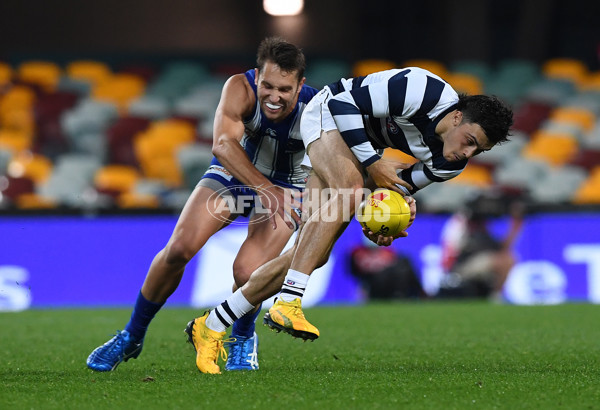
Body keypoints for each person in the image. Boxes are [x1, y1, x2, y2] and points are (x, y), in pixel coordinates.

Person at [186, 66, 514, 374]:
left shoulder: (449, 163)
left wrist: (387, 216)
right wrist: (372, 162)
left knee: (311, 251)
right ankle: (288, 301)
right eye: (470, 141)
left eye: (478, 151)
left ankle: (212, 324)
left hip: (362, 148)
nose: (467, 154)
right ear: (457, 117)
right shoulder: (424, 89)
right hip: (326, 114)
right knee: (349, 191)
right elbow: (344, 104)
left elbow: (392, 189)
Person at [86, 37, 318, 373]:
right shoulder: (239, 87)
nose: (274, 96)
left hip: (287, 185)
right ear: (256, 75)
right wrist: (266, 189)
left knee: (248, 272)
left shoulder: (320, 107)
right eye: (267, 85)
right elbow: (224, 144)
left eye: (284, 89)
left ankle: (241, 338)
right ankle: (131, 336)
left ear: (301, 85)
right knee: (179, 248)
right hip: (234, 173)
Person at [438, 194, 524, 301]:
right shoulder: (459, 223)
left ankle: (494, 295)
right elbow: (450, 251)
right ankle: (495, 297)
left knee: (508, 259)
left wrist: (515, 226)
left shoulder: (482, 225)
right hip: (461, 266)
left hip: (479, 262)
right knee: (504, 261)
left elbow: (502, 249)